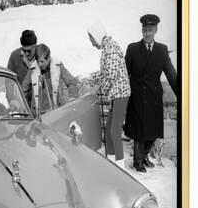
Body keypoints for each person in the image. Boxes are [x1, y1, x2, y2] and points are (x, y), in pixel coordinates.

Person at [124, 14, 177, 173]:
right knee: (139, 130)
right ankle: (137, 161)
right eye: (145, 30)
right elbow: (124, 73)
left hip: (154, 97)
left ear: (156, 30)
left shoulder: (162, 50)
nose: (148, 33)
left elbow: (171, 74)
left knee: (153, 130)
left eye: (151, 30)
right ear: (142, 30)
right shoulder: (132, 49)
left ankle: (145, 156)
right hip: (137, 96)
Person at [86, 21, 131, 169]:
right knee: (109, 129)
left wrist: (101, 90)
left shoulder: (110, 48)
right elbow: (106, 72)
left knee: (114, 131)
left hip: (120, 94)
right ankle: (112, 163)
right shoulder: (107, 47)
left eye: (92, 39)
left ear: (97, 36)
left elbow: (110, 75)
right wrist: (91, 77)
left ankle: (120, 167)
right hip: (116, 94)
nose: (92, 44)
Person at [22, 43, 80, 115]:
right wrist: (18, 103)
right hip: (38, 114)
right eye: (37, 61)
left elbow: (71, 83)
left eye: (42, 61)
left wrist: (72, 99)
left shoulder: (58, 65)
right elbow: (24, 88)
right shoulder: (32, 69)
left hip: (56, 111)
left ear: (48, 58)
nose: (39, 64)